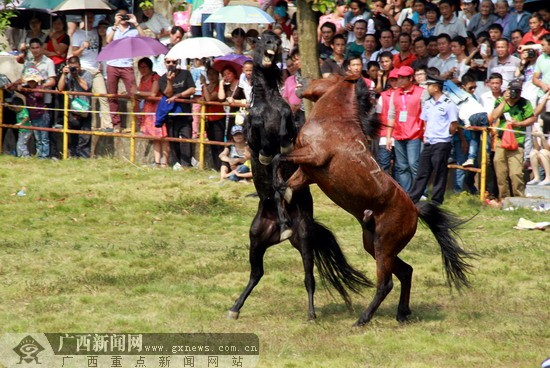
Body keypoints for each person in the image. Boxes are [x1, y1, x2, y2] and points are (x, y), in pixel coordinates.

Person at [409, 74, 459, 205]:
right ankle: (414, 197)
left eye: (429, 85)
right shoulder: (427, 104)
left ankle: (437, 199)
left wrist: (447, 134)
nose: (427, 88)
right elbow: (425, 121)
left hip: (442, 142)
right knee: (422, 171)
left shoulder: (448, 104)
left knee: (439, 172)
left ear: (436, 87)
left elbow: (454, 124)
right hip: (429, 142)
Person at [491, 79, 536, 199]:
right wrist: (504, 101)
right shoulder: (501, 101)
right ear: (508, 91)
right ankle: (504, 198)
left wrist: (519, 123)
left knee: (516, 172)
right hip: (501, 140)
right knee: (501, 172)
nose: (516, 94)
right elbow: (494, 116)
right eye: (514, 91)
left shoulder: (525, 103)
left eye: (518, 91)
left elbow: (532, 118)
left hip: (517, 141)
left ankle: (518, 198)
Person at [386, 66, 425, 193]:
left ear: (411, 78)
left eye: (403, 78)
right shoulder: (395, 94)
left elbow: (426, 114)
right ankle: (407, 193)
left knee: (414, 165)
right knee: (401, 166)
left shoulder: (421, 92)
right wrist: (388, 137)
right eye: (399, 78)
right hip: (399, 134)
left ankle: (420, 192)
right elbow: (391, 115)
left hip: (414, 133)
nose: (400, 81)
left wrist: (426, 132)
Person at [71, 11, 112, 131]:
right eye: (87, 18)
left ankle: (107, 124)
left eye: (91, 18)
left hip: (96, 69)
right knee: (85, 97)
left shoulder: (95, 31)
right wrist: (83, 47)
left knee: (103, 96)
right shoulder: (77, 34)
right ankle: (87, 124)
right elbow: (74, 53)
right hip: (84, 68)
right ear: (82, 19)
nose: (89, 20)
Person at [105, 10, 146, 131]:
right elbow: (108, 41)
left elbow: (144, 38)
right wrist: (115, 24)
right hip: (112, 64)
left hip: (127, 64)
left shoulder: (133, 31)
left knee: (134, 94)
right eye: (120, 16)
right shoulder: (111, 29)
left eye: (124, 16)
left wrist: (136, 23)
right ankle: (116, 124)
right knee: (112, 95)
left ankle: (138, 123)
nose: (123, 18)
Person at [158, 57, 196, 169]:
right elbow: (168, 94)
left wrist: (178, 96)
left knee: (186, 139)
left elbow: (192, 89)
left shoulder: (185, 74)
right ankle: (177, 163)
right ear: (164, 63)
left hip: (185, 112)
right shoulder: (162, 79)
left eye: (174, 62)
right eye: (168, 62)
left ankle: (186, 164)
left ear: (177, 63)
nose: (171, 64)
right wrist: (169, 81)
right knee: (173, 139)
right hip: (170, 113)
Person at [57, 56, 93, 158]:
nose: (74, 69)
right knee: (73, 135)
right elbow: (60, 88)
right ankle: (74, 156)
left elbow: (86, 87)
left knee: (85, 136)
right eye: (72, 67)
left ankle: (84, 157)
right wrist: (64, 74)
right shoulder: (68, 75)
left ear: (80, 66)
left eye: (76, 67)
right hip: (73, 110)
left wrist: (76, 76)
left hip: (85, 110)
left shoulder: (87, 74)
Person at [135, 57, 168, 167]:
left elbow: (153, 93)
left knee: (163, 136)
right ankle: (157, 161)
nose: (142, 69)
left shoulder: (155, 77)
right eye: (140, 67)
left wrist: (138, 92)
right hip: (147, 109)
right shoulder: (142, 78)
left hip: (158, 109)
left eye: (145, 67)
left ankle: (164, 162)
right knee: (154, 137)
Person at [18, 69, 49, 159]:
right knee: (37, 137)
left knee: (44, 137)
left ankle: (44, 155)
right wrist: (20, 83)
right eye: (29, 81)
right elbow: (16, 88)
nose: (31, 83)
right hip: (33, 116)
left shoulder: (39, 88)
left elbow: (38, 95)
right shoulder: (26, 88)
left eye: (33, 81)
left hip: (42, 115)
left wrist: (29, 88)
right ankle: (39, 155)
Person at [375, 68, 400, 174]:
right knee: (384, 163)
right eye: (392, 80)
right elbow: (378, 115)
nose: (395, 82)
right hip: (385, 134)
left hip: (401, 134)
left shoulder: (404, 95)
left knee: (400, 165)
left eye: (397, 79)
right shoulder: (383, 96)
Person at [201, 67, 225, 170]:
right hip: (208, 119)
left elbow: (209, 98)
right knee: (212, 144)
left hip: (218, 118)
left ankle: (222, 166)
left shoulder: (218, 87)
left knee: (219, 144)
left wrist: (204, 85)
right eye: (209, 74)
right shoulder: (207, 86)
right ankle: (216, 166)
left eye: (213, 74)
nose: (211, 76)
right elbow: (203, 99)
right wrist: (205, 86)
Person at [282, 48, 305, 128]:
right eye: (294, 61)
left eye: (297, 60)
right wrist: (291, 107)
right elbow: (284, 96)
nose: (295, 63)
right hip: (293, 113)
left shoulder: (308, 74)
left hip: (305, 111)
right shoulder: (290, 79)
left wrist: (299, 106)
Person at [527, 111, 550, 185]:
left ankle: (548, 178)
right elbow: (537, 148)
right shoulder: (542, 131)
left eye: (541, 119)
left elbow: (548, 149)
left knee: (543, 152)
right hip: (545, 157)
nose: (538, 120)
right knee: (534, 152)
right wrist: (534, 137)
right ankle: (536, 177)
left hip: (546, 155)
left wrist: (542, 137)